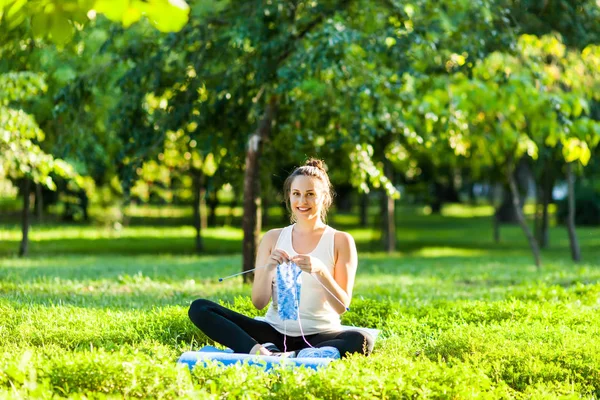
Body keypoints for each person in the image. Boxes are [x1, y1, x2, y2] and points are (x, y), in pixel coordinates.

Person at [188, 159, 373, 358]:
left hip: (319, 335)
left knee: (362, 341)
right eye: (296, 194)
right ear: (289, 196)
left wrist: (320, 271)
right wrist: (268, 269)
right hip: (273, 332)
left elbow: (342, 306)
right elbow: (259, 303)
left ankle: (290, 355)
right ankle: (259, 351)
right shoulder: (273, 238)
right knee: (200, 308)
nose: (302, 202)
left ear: (324, 197)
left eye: (310, 194)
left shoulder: (340, 240)